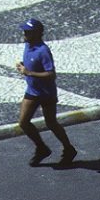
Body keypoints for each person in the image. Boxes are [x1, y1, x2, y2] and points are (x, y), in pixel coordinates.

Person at [15, 18, 77, 166]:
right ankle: (41, 147)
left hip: (46, 93)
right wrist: (23, 65)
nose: (24, 34)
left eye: (28, 32)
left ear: (37, 33)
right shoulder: (28, 46)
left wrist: (28, 72)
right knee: (23, 122)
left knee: (51, 123)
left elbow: (51, 74)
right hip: (32, 91)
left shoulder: (43, 51)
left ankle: (69, 149)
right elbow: (32, 64)